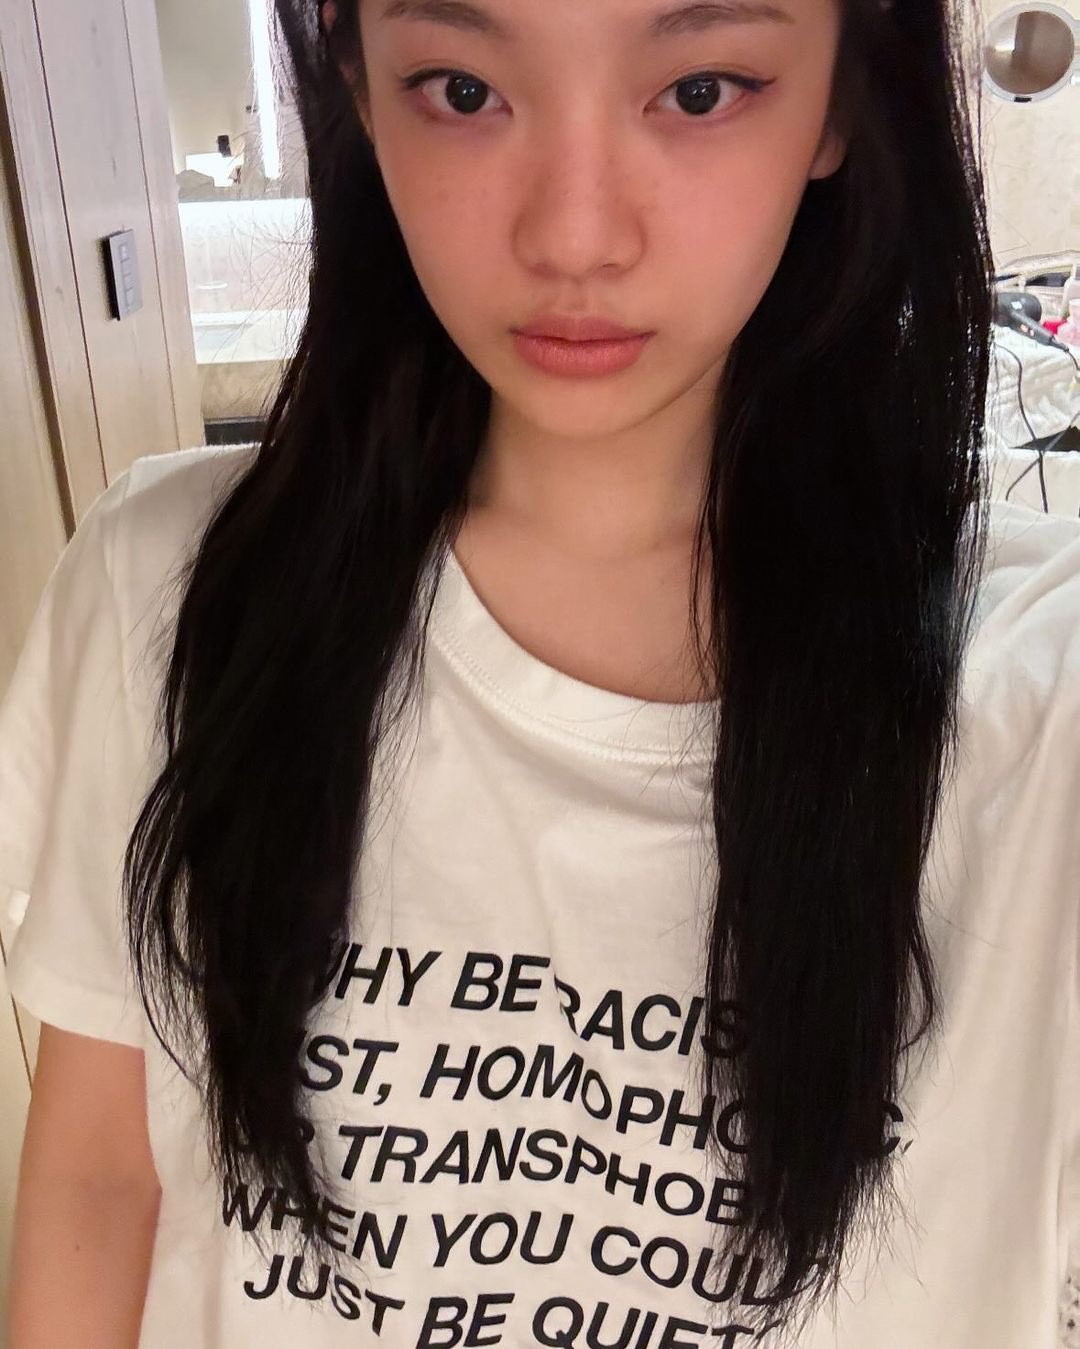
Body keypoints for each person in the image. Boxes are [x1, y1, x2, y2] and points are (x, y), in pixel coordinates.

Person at [3, 0, 1079, 1345]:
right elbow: (104, 1174)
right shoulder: (163, 583)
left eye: (700, 91)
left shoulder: (1039, 694)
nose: (573, 236)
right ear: (357, 81)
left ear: (843, 96)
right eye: (462, 89)